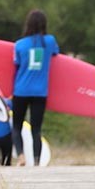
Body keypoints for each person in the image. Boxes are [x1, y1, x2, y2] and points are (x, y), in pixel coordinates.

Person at [12, 9, 59, 166]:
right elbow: (56, 54)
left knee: (17, 126)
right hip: (40, 92)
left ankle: (21, 156)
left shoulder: (19, 45)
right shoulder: (50, 41)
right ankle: (37, 162)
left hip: (21, 90)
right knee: (36, 129)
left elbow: (16, 66)